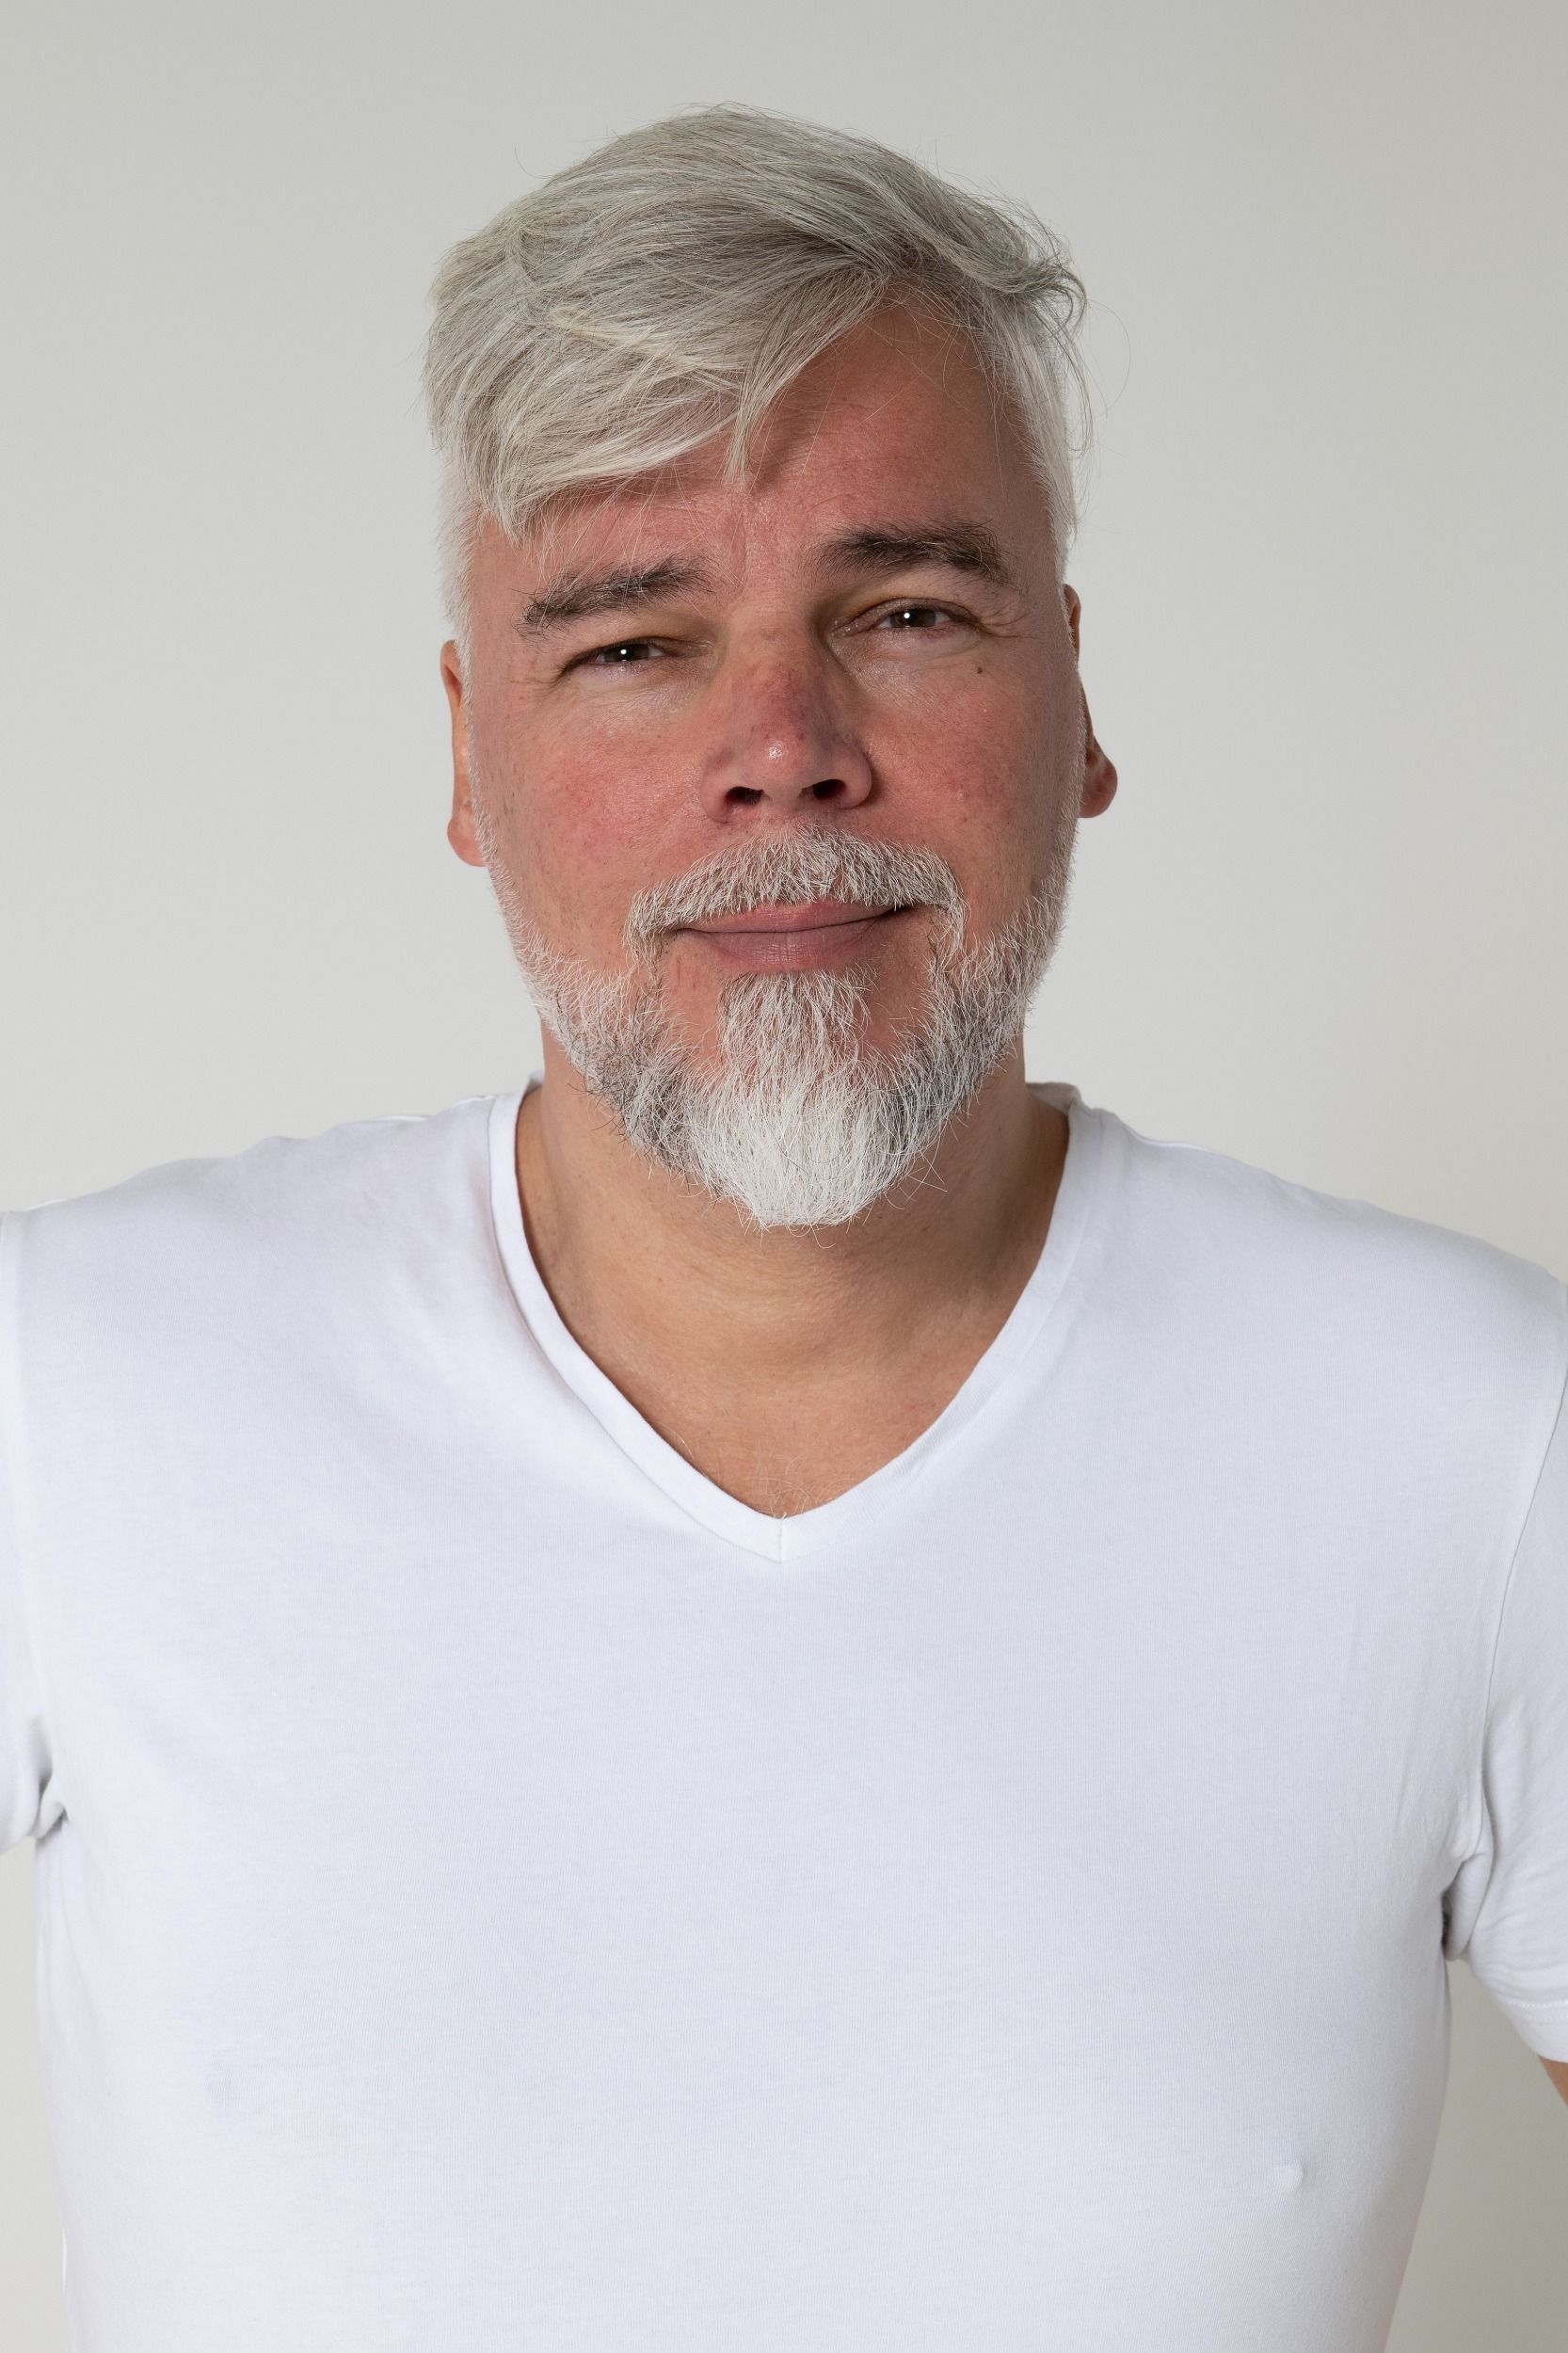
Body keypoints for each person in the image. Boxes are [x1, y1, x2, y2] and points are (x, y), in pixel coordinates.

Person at [2, 101, 1563, 2353]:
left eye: (905, 613)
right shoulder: (74, 1386)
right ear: (464, 752)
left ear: (1074, 696)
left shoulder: (1472, 1437)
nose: (782, 748)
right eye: (634, 643)